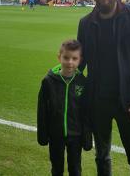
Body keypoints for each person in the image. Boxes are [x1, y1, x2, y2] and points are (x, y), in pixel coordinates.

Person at [77, 0, 130, 175]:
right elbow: (79, 63)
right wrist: (59, 77)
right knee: (102, 157)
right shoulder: (85, 23)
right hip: (98, 102)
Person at [37, 39, 92, 176]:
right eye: (66, 58)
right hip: (55, 134)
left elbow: (86, 112)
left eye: (74, 58)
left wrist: (86, 136)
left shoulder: (82, 82)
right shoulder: (48, 81)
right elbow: (42, 110)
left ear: (80, 60)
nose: (70, 62)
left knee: (75, 169)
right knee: (56, 169)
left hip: (76, 136)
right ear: (59, 57)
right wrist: (42, 134)